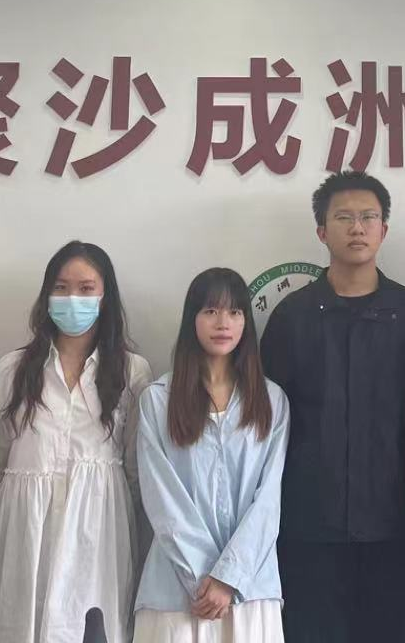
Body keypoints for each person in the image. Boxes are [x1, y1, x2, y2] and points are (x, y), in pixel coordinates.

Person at [260, 171, 405, 643]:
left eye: (368, 217)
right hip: (309, 527)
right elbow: (266, 424)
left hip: (398, 527)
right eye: (344, 218)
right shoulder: (292, 317)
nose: (357, 228)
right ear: (322, 231)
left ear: (384, 229)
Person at [0, 240, 154, 643]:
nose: (72, 299)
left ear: (105, 296)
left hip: (99, 525)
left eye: (86, 288)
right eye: (61, 288)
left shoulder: (131, 372)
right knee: (18, 623)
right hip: (23, 526)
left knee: (91, 624)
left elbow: (135, 468)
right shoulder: (12, 369)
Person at [133, 267, 290, 643]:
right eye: (211, 311)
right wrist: (206, 579)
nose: (223, 322)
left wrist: (229, 577)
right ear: (192, 319)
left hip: (250, 588)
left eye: (235, 312)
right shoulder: (157, 400)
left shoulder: (271, 400)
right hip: (176, 590)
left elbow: (268, 501)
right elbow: (162, 498)